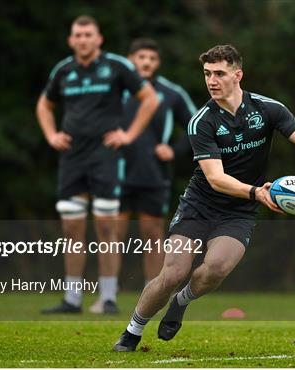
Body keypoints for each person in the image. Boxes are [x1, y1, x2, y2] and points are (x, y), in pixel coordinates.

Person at [113, 44, 295, 351]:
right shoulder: (202, 121)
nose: (211, 80)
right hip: (199, 205)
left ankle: (181, 303)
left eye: (219, 74)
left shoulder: (267, 109)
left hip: (238, 213)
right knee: (173, 272)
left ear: (238, 75)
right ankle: (133, 330)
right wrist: (256, 192)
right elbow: (216, 178)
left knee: (216, 269)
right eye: (207, 74)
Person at [36, 15, 159, 314]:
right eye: (77, 35)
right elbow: (44, 105)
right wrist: (52, 135)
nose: (82, 40)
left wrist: (128, 135)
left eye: (88, 34)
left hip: (105, 158)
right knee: (72, 229)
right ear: (70, 40)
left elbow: (149, 99)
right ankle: (72, 299)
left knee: (106, 229)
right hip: (72, 159)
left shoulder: (116, 66)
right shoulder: (64, 70)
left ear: (99, 38)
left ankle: (107, 298)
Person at [110, 38, 196, 295]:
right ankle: (107, 296)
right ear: (131, 60)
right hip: (115, 173)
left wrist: (175, 150)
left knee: (152, 235)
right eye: (141, 57)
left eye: (152, 58)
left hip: (154, 174)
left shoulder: (171, 93)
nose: (146, 62)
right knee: (112, 236)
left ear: (157, 63)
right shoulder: (115, 90)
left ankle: (153, 293)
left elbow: (197, 126)